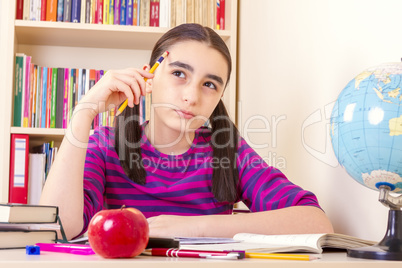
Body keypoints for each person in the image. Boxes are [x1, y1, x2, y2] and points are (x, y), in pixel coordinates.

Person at [40, 23, 333, 240]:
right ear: (149, 77)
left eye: (209, 84)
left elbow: (315, 222)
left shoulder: (227, 150)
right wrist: (85, 111)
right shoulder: (105, 145)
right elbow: (59, 227)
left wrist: (187, 226)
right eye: (179, 74)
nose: (192, 96)